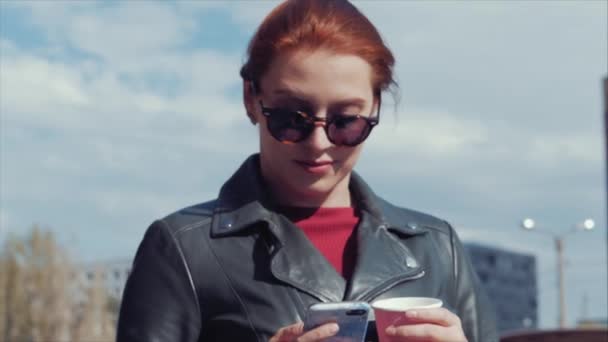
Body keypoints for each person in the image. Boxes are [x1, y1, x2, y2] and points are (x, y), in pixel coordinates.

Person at [116, 0, 498, 341]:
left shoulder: (436, 248)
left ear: (375, 107)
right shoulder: (183, 249)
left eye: (346, 120)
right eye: (290, 118)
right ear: (252, 99)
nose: (318, 143)